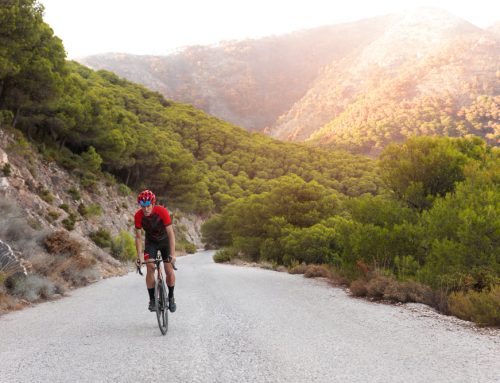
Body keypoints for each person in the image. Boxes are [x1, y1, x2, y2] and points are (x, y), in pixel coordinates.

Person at [134, 189, 177, 312]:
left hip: (165, 241)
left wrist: (173, 255)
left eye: (148, 206)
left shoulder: (162, 211)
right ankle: (152, 300)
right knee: (150, 267)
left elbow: (171, 234)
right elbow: (138, 237)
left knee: (169, 270)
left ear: (153, 203)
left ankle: (171, 296)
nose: (145, 209)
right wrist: (139, 256)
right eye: (143, 206)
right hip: (151, 242)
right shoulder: (138, 215)